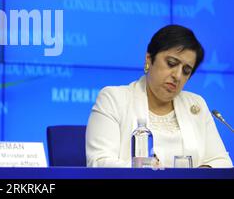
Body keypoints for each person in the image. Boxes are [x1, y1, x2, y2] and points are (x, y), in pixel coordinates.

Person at [86, 25, 233, 168]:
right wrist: (150, 169)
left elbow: (222, 162)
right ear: (149, 59)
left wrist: (200, 173)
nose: (177, 75)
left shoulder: (196, 104)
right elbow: (99, 163)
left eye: (186, 71)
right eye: (171, 63)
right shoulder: (113, 99)